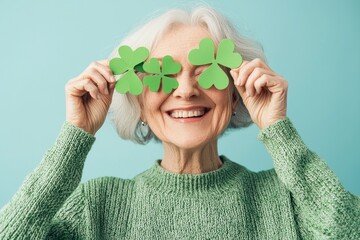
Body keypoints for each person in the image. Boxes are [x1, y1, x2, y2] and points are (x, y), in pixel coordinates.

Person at [0, 6, 359, 239]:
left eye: (208, 73)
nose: (185, 90)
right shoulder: (98, 206)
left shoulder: (287, 200)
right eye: (162, 75)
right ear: (137, 99)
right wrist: (73, 139)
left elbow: (347, 230)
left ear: (236, 94)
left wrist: (278, 129)